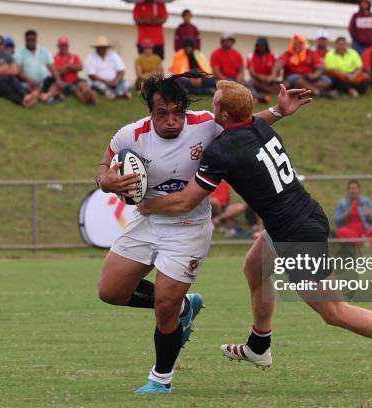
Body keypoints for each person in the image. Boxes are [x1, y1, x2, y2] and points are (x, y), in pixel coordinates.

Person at [139, 80, 372, 378]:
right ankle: (259, 346)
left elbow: (186, 201)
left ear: (223, 115)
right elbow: (254, 122)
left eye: (215, 106)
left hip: (295, 233)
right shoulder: (258, 126)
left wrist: (148, 203)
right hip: (302, 215)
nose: (209, 111)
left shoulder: (222, 150)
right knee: (255, 267)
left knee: (334, 311)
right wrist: (278, 110)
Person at [95, 73, 309, 394]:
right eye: (162, 113)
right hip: (146, 221)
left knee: (165, 305)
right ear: (149, 111)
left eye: (178, 112)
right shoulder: (130, 135)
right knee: (110, 291)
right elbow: (104, 167)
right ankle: (185, 308)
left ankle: (161, 379)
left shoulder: (205, 124)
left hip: (188, 227)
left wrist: (278, 111)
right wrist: (106, 181)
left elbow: (246, 126)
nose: (171, 121)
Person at [0, 35, 39, 108]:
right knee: (6, 90)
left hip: (7, 78)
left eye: (1, 44)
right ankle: (22, 102)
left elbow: (15, 71)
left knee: (15, 84)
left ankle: (27, 97)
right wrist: (6, 67)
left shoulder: (7, 55)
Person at [211, 32, 266, 104]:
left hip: (235, 78)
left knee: (247, 84)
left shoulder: (237, 54)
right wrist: (228, 81)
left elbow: (241, 71)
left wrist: (239, 78)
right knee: (227, 89)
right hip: (222, 79)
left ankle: (257, 98)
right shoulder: (215, 54)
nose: (228, 42)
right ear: (222, 41)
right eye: (227, 40)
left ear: (233, 42)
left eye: (230, 40)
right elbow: (216, 72)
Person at [15, 30, 64, 103]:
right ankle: (49, 96)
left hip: (43, 81)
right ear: (25, 40)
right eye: (29, 39)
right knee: (23, 86)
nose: (31, 41)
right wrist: (29, 80)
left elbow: (52, 67)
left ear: (36, 39)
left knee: (57, 82)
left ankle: (46, 95)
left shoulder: (44, 51)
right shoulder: (19, 53)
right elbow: (18, 72)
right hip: (28, 82)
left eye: (33, 39)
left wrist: (58, 80)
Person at [53, 36, 97, 105]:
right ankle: (85, 100)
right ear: (58, 46)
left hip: (76, 79)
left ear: (68, 46)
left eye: (65, 45)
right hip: (65, 82)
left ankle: (91, 96)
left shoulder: (74, 56)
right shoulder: (56, 58)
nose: (64, 47)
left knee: (84, 85)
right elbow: (58, 72)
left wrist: (67, 66)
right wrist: (72, 68)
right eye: (62, 45)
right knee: (75, 89)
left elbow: (80, 67)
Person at [85, 35, 131, 100]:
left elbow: (121, 71)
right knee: (96, 85)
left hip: (115, 81)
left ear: (107, 47)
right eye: (100, 47)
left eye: (103, 47)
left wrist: (116, 81)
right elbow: (91, 76)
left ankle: (114, 94)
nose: (102, 49)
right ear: (96, 48)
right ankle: (120, 93)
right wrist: (107, 83)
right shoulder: (91, 57)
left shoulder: (113, 55)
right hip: (100, 82)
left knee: (127, 83)